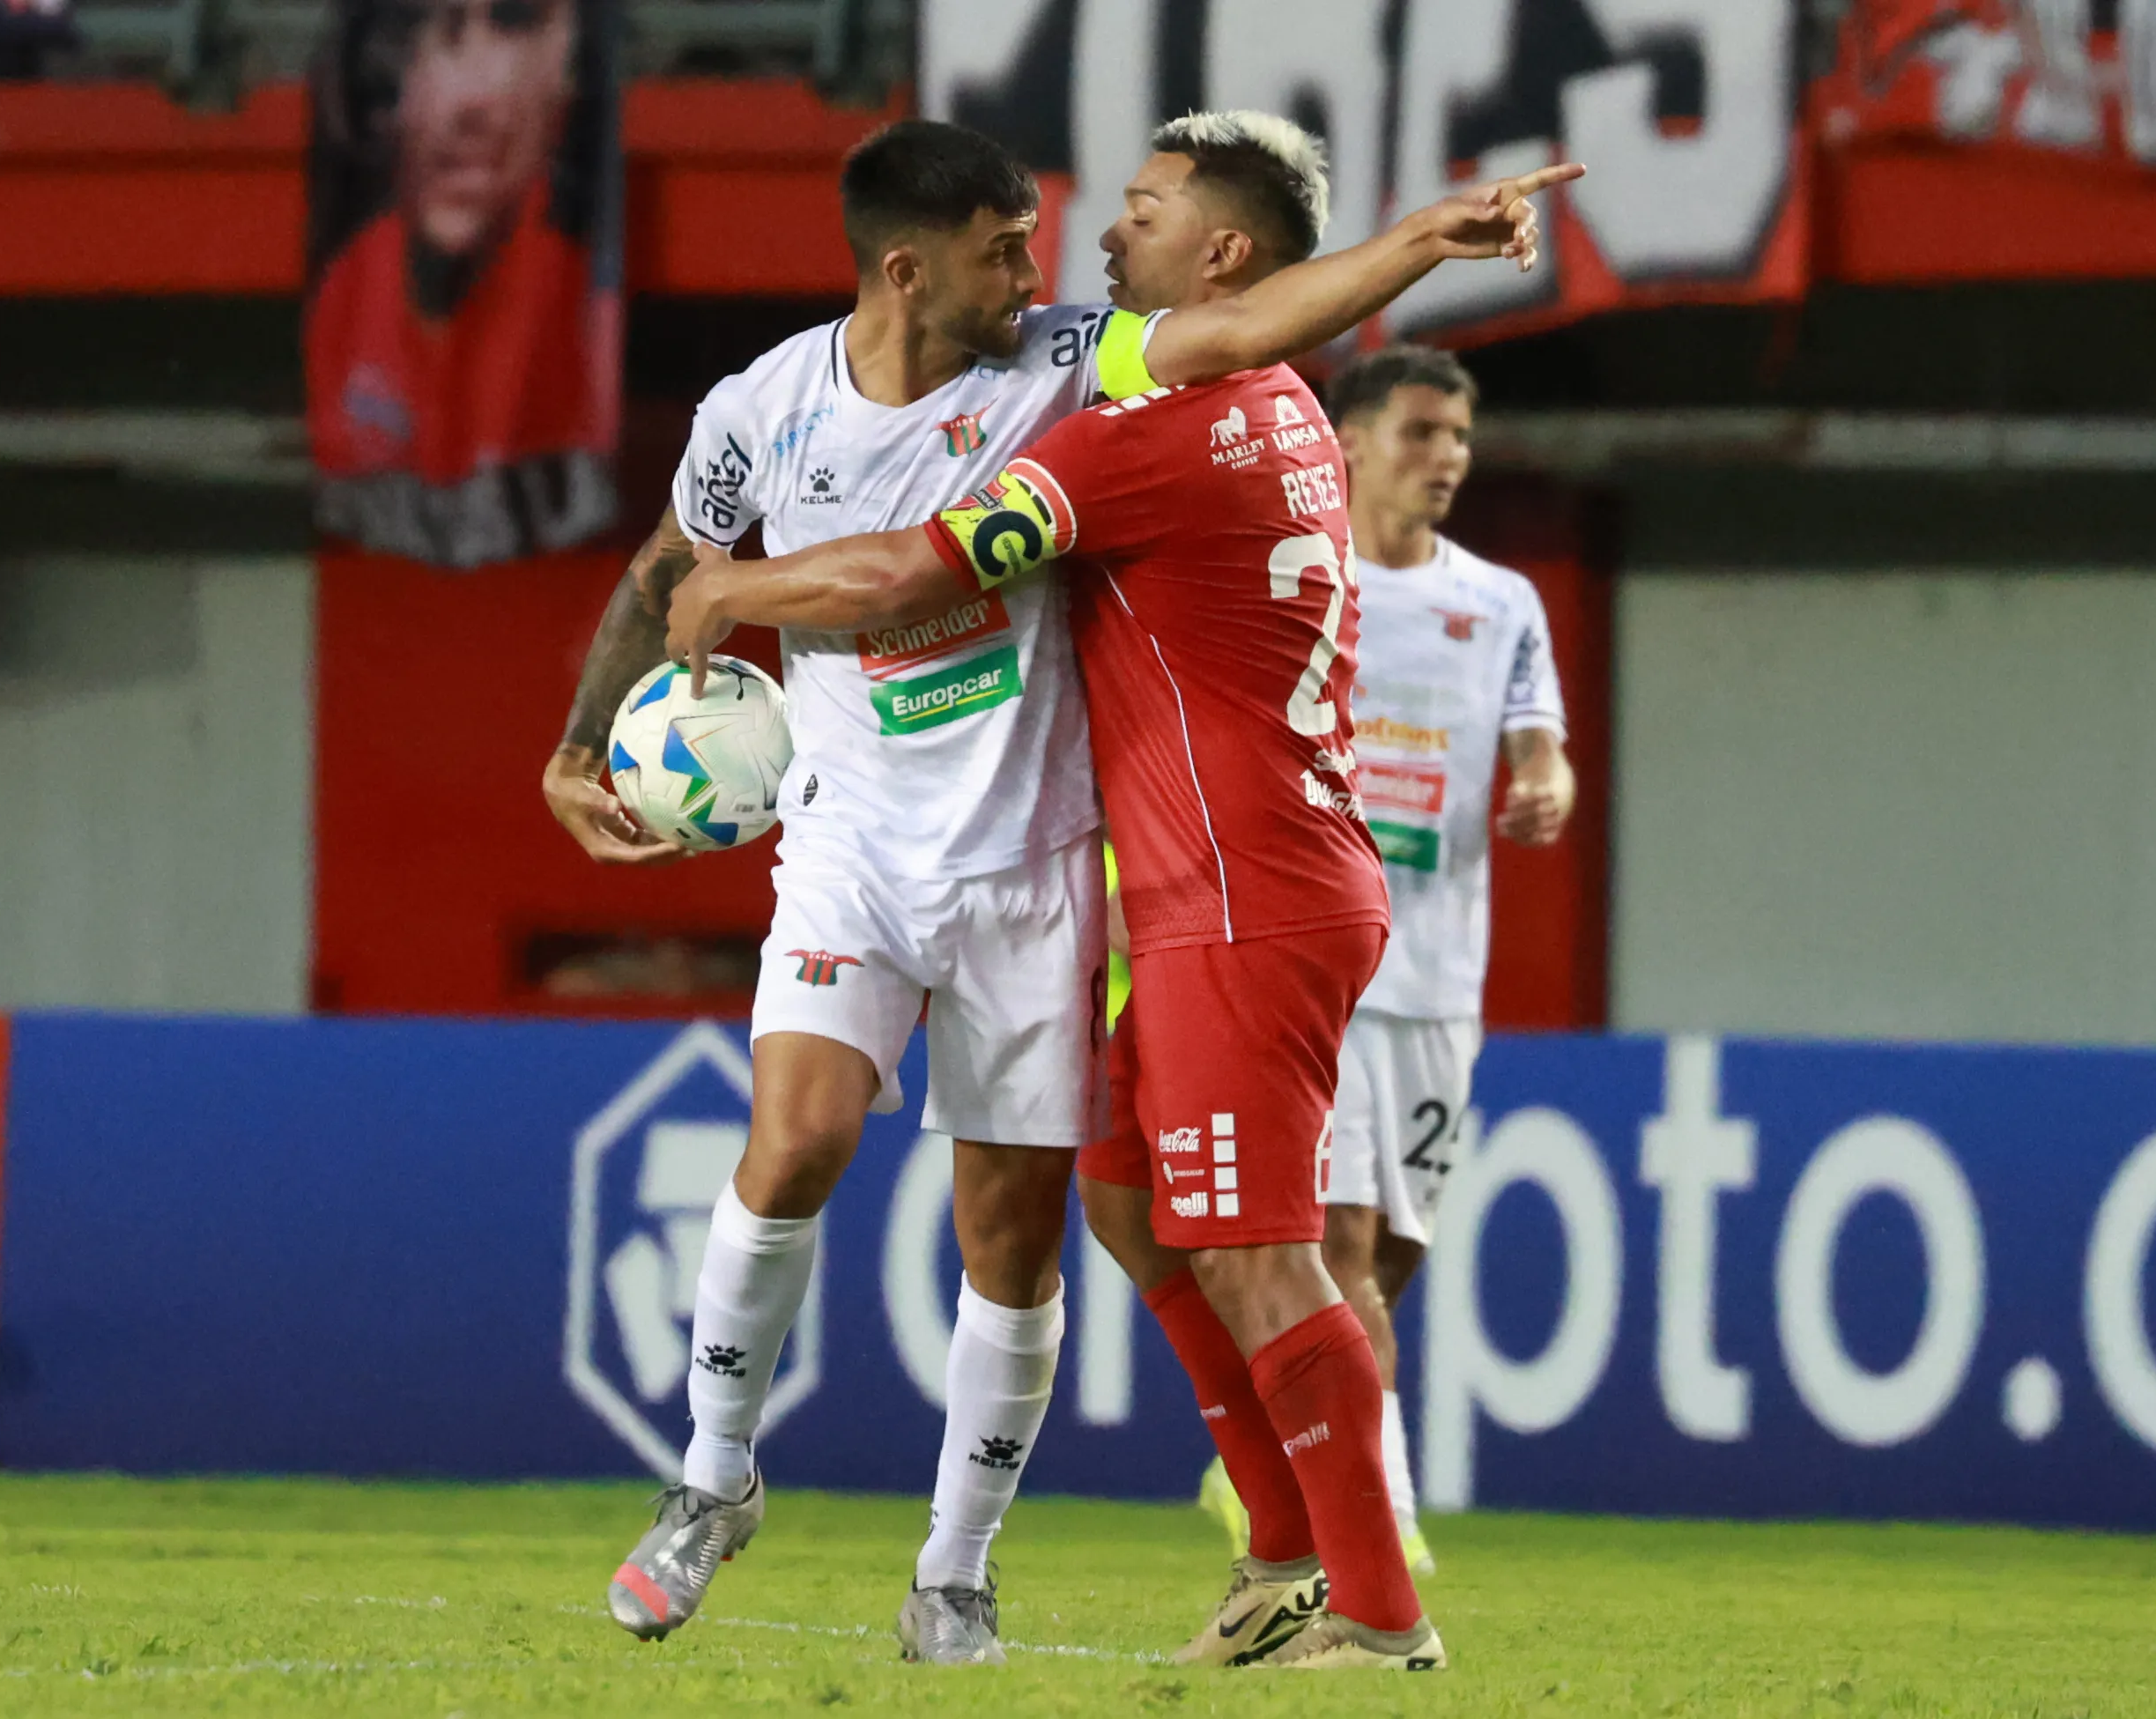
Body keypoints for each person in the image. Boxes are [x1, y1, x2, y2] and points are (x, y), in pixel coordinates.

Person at [547, 118, 1559, 1665]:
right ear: (905, 266)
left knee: (1088, 1233)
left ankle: (1007, 1576)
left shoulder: (1093, 389)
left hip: (1078, 865)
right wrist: (576, 743)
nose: (1060, 259)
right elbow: (659, 562)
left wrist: (1424, 243)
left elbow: (925, 556)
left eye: (1102, 221)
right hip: (887, 847)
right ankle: (713, 1482)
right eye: (1006, 244)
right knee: (965, 1168)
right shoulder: (765, 409)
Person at [1197, 345, 1577, 1578]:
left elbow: (1541, 747)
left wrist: (1544, 784)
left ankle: (1271, 1448)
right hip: (1318, 965)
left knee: (1391, 1257)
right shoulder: (1296, 578)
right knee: (1342, 1245)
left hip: (1439, 975)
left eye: (1458, 437)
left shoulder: (1501, 602)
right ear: (1349, 444)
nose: (1446, 457)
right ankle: (1384, 1532)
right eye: (1420, 432)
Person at [305, 0, 617, 563]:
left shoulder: (587, 304)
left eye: (511, 22)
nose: (468, 104)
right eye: (428, 29)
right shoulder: (346, 291)